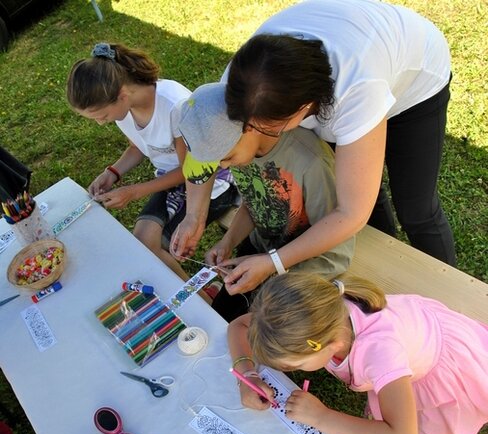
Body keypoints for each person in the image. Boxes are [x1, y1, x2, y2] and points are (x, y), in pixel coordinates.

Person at [172, 0, 456, 294]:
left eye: (263, 128)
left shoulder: (356, 91)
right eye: (245, 123)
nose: (250, 134)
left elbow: (350, 211)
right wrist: (195, 214)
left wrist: (273, 263)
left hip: (416, 82)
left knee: (416, 208)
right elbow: (205, 144)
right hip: (350, 43)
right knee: (359, 186)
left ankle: (449, 297)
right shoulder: (241, 84)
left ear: (303, 110)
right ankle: (380, 250)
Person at [227, 272, 488, 434]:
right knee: (386, 416)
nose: (286, 370)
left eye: (295, 365)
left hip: (441, 372)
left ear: (329, 346)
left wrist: (321, 417)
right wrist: (247, 375)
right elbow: (238, 326)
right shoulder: (313, 315)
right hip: (410, 341)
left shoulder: (381, 354)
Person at [177, 83, 354, 319]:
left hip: (307, 266)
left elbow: (337, 253)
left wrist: (272, 267)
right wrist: (228, 242)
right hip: (263, 250)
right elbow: (256, 202)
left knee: (259, 329)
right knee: (218, 319)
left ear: (250, 128)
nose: (223, 166)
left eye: (226, 157)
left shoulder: (312, 164)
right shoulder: (242, 151)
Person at [66, 43, 237, 284]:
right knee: (142, 243)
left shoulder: (174, 107)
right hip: (171, 181)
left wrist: (135, 191)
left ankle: (202, 302)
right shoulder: (125, 108)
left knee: (156, 250)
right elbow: (137, 146)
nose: (101, 123)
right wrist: (113, 173)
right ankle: (200, 293)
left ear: (122, 95)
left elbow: (192, 172)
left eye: (102, 116)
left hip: (211, 183)